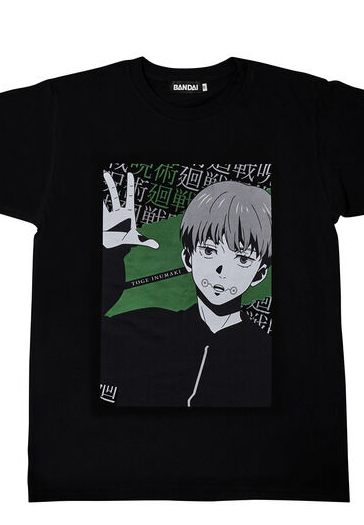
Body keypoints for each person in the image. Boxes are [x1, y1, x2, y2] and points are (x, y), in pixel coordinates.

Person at [100, 172, 272, 407]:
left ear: (260, 273)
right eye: (209, 251)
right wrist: (110, 255)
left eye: (242, 259)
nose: (222, 270)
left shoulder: (264, 353)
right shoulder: (147, 327)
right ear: (188, 258)